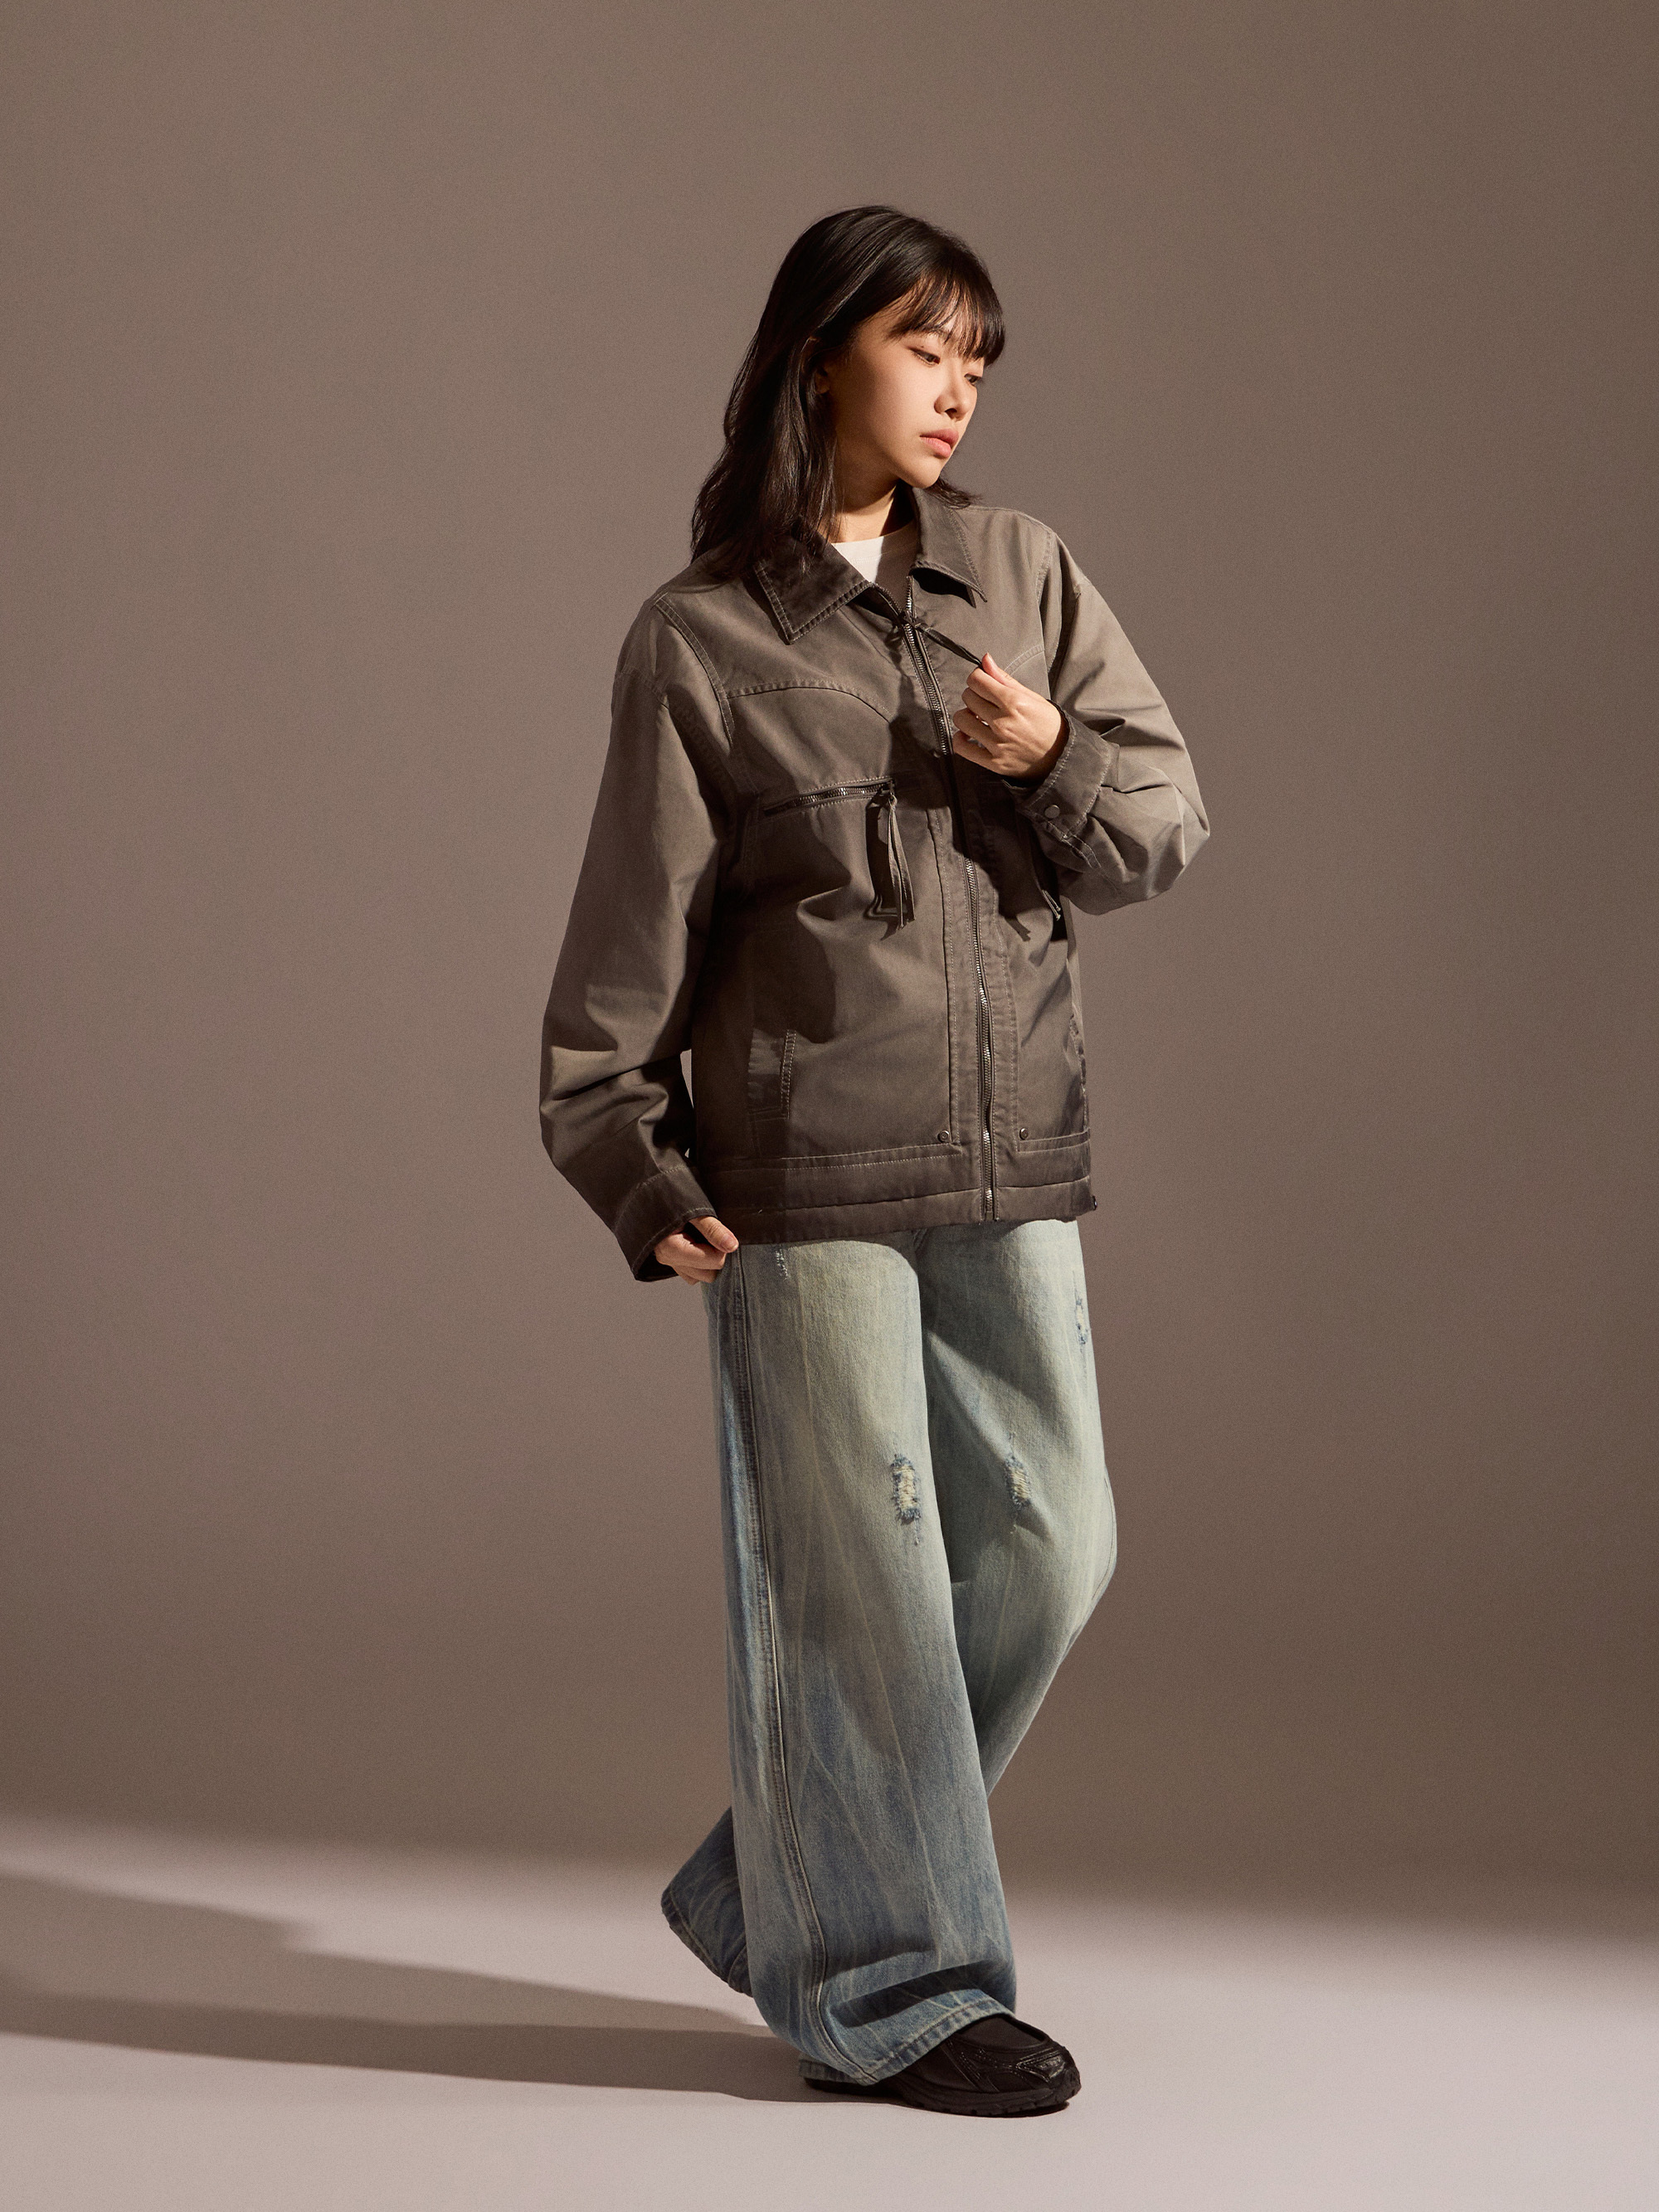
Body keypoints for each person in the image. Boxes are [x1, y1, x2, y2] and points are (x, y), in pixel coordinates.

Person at [539, 204, 1208, 2117]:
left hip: (1007, 1151)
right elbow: (626, 945)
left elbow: (1163, 825)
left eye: (977, 358)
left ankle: (779, 1888)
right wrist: (633, 1160)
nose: (957, 388)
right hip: (801, 1177)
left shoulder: (1020, 571)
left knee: (1051, 1545)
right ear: (821, 351)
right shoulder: (701, 639)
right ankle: (895, 1988)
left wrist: (1049, 750)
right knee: (861, 1590)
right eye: (926, 345)